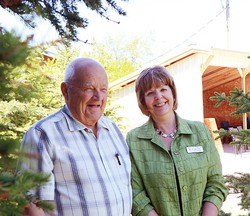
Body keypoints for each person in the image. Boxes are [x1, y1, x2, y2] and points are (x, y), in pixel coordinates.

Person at [17, 58, 132, 216]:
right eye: (89, 88)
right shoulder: (43, 135)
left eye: (103, 89)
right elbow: (31, 206)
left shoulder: (113, 129)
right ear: (65, 91)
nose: (98, 96)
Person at [126, 65, 228, 216]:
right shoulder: (134, 140)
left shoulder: (199, 131)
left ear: (172, 93)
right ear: (143, 100)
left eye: (163, 89)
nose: (158, 97)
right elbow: (135, 193)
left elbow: (216, 182)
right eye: (150, 93)